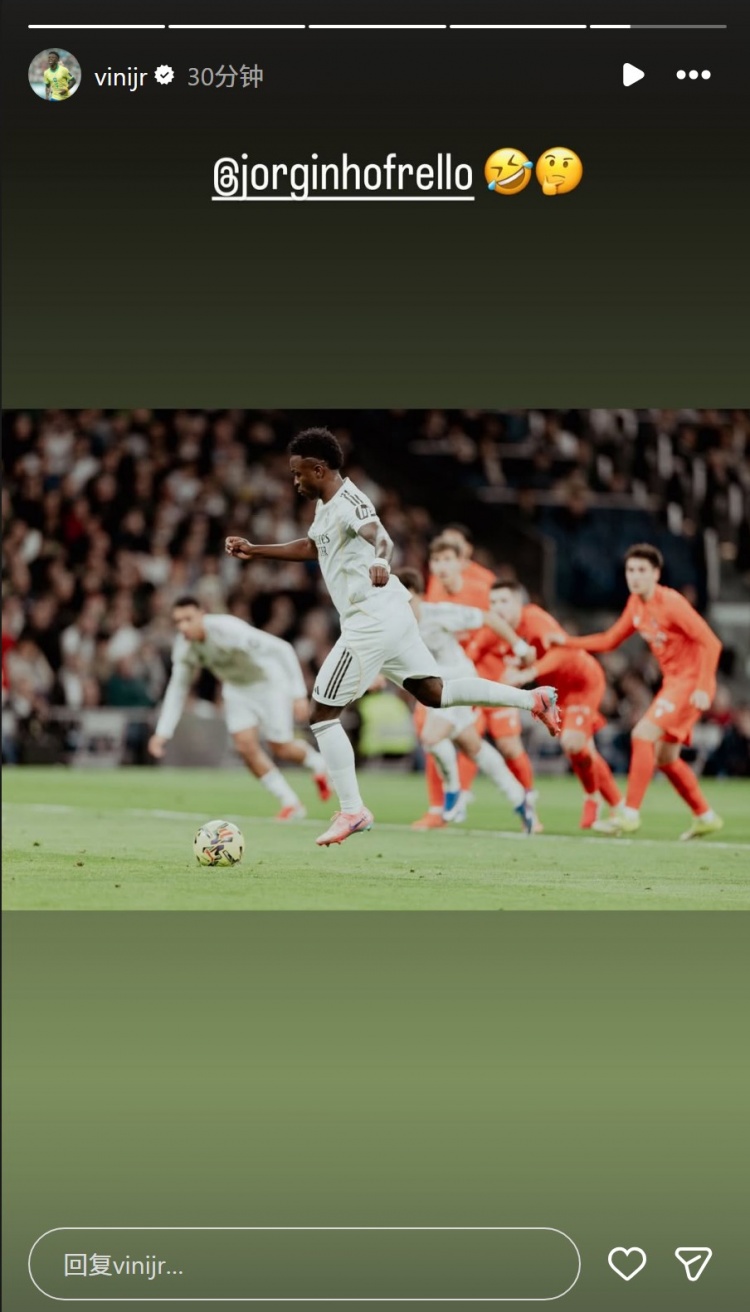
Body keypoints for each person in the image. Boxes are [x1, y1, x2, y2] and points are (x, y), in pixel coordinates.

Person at [225, 427, 561, 847]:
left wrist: (382, 562)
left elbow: (381, 537)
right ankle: (533, 699)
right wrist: (256, 549)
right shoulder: (326, 507)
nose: (295, 481)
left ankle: (352, 810)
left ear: (319, 469)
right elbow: (313, 548)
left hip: (371, 619)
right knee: (436, 693)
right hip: (393, 615)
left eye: (298, 473)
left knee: (321, 713)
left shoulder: (351, 501)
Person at [546, 544, 723, 839]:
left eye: (642, 570)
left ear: (656, 574)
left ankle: (629, 814)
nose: (635, 576)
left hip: (690, 683)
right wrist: (567, 641)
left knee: (642, 734)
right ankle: (705, 816)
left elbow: (711, 642)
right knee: (666, 758)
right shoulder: (636, 604)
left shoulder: (671, 602)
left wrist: (704, 686)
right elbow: (609, 640)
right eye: (631, 570)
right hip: (674, 683)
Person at [147, 597, 331, 820]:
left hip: (269, 683)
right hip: (236, 689)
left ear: (202, 615)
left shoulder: (229, 630)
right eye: (178, 621)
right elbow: (177, 689)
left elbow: (282, 649)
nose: (183, 626)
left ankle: (318, 764)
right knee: (245, 747)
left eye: (188, 619)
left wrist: (298, 694)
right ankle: (291, 803)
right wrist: (162, 732)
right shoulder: (184, 648)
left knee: (281, 746)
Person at [398, 568, 537, 833]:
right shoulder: (397, 624)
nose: (402, 605)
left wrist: (519, 647)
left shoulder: (439, 613)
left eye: (407, 599)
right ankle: (520, 799)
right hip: (435, 688)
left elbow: (488, 618)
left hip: (457, 682)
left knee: (431, 738)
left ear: (419, 595)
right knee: (473, 746)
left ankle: (453, 792)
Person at [482, 582, 623, 829]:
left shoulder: (534, 619)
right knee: (580, 748)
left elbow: (563, 652)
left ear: (519, 604)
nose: (497, 607)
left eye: (504, 601)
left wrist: (529, 672)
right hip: (557, 692)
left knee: (573, 742)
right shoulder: (500, 631)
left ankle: (593, 798)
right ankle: (618, 806)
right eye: (493, 603)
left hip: (581, 681)